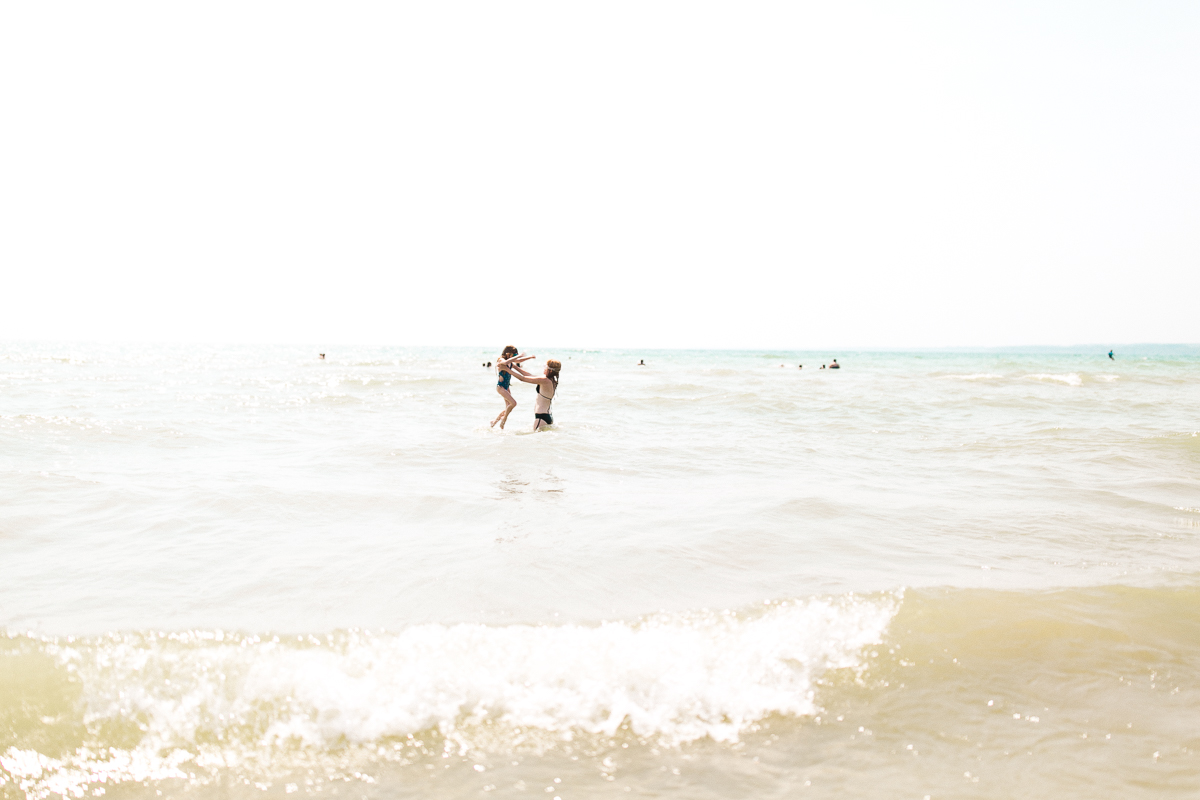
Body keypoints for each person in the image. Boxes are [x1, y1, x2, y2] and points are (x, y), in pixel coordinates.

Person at [490, 346, 534, 429]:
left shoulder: (511, 364)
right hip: (501, 387)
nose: (514, 357)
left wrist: (530, 357)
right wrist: (518, 356)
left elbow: (519, 361)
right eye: (513, 355)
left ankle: (494, 422)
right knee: (513, 403)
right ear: (508, 353)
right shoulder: (501, 360)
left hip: (507, 387)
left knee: (508, 408)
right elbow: (505, 362)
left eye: (515, 355)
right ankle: (503, 420)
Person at [511, 358, 561, 431]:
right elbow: (530, 376)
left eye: (545, 367)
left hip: (541, 418)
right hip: (547, 416)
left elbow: (523, 378)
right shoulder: (552, 381)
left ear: (550, 370)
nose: (543, 368)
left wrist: (507, 370)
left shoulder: (544, 380)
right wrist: (515, 367)